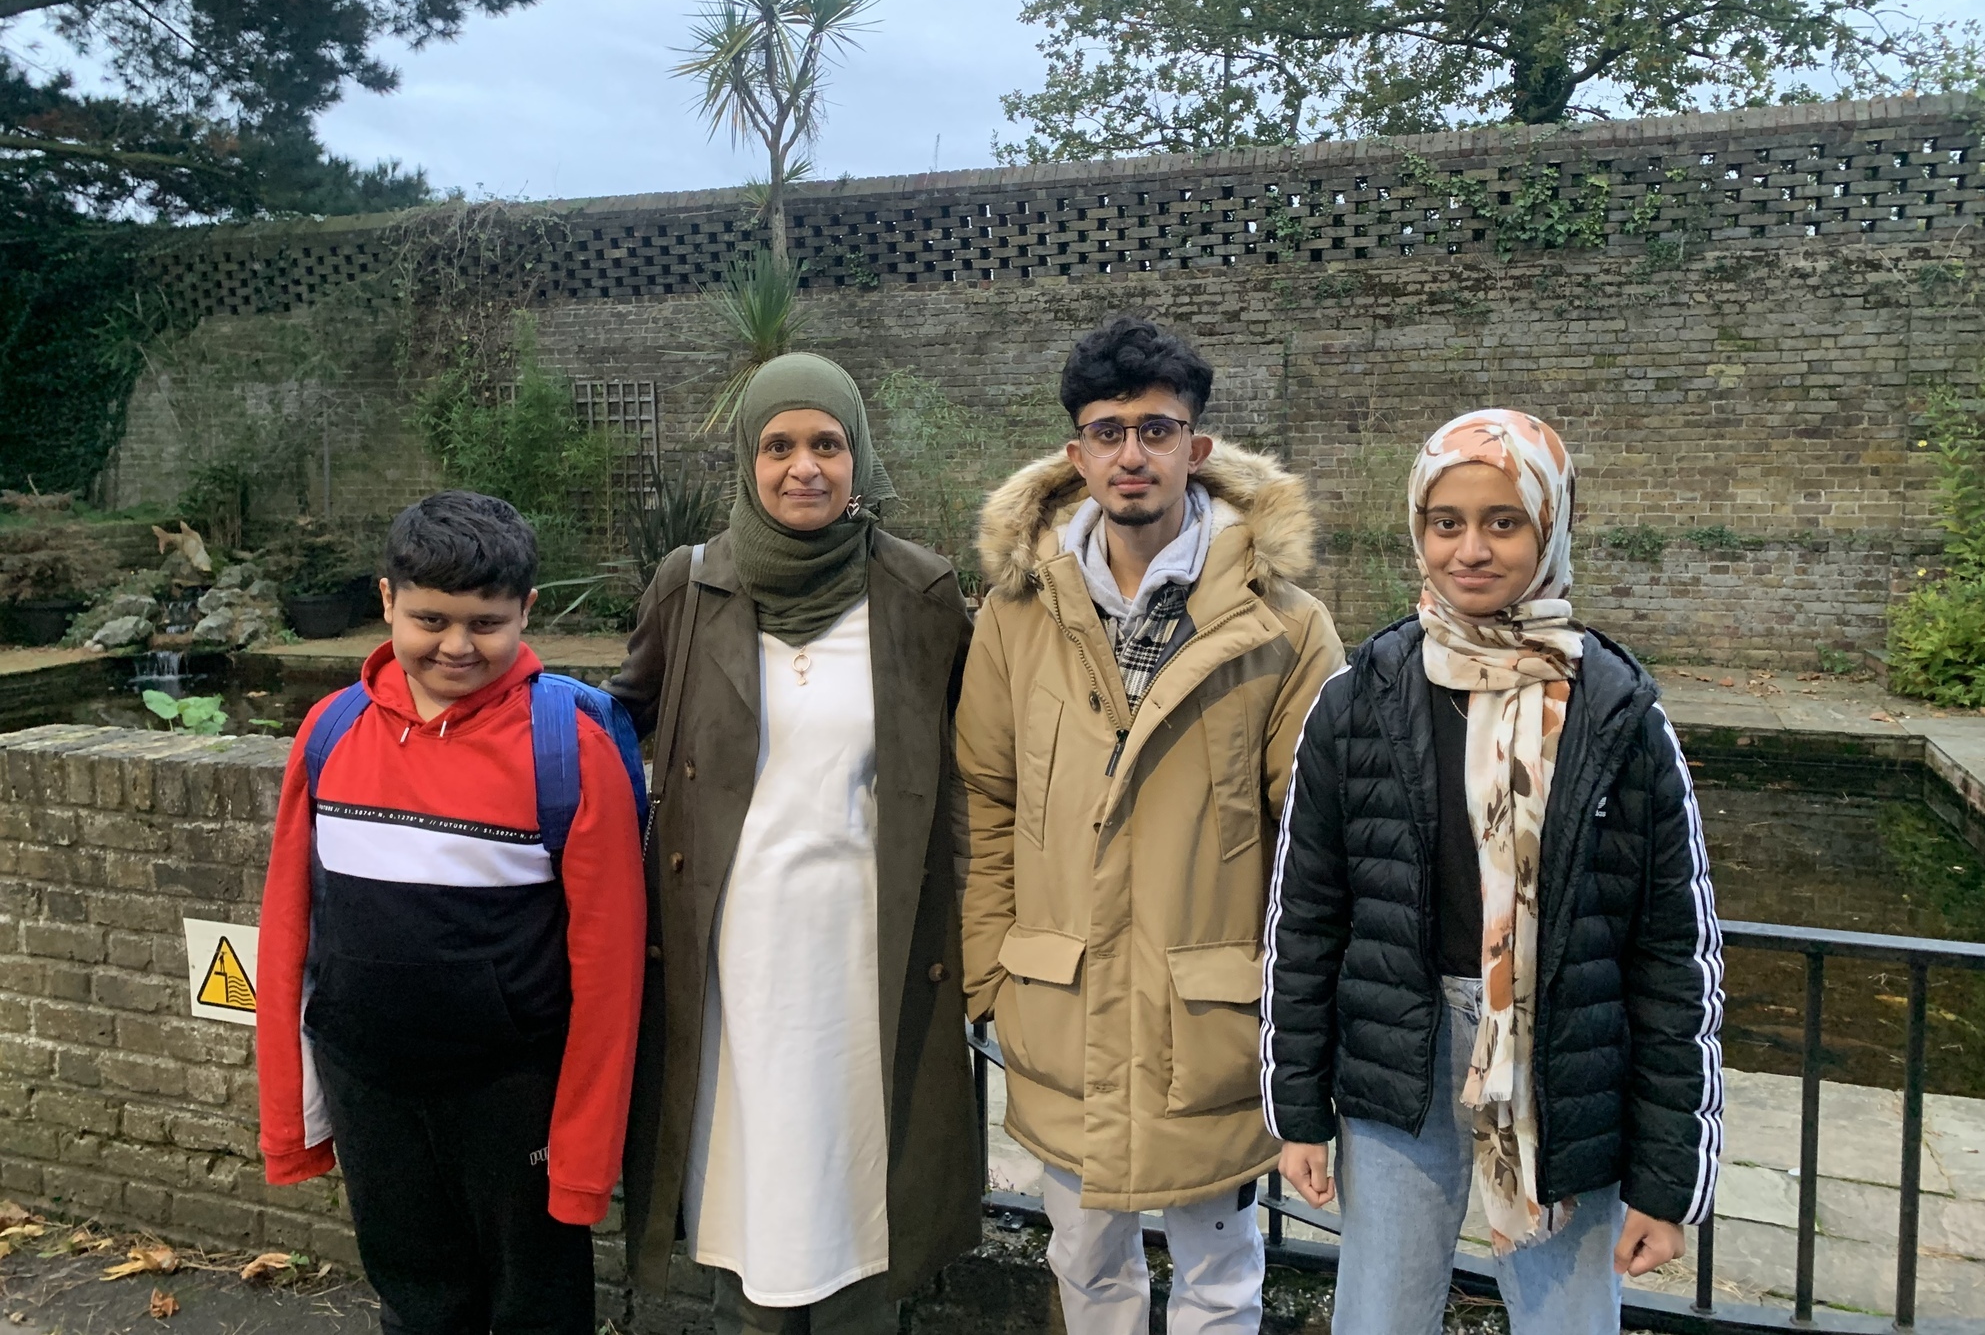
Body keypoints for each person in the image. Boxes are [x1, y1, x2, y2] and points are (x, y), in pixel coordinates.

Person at [1260, 409, 1725, 1335]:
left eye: (1503, 521)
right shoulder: (1359, 701)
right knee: (1379, 1316)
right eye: (1447, 522)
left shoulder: (1618, 713)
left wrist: (1670, 1181)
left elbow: (1672, 956)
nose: (1470, 549)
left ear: (1549, 526)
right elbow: (1307, 920)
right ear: (1417, 529)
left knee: (1567, 1323)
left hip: (1562, 1068)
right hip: (1401, 1055)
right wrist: (1298, 1109)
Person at [957, 314, 1344, 1335]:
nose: (1132, 453)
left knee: (1220, 1279)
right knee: (1084, 1266)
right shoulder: (1013, 614)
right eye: (1108, 430)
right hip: (1063, 1010)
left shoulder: (1284, 627)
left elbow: (1313, 844)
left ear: (1195, 447)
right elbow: (984, 800)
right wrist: (990, 973)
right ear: (1075, 454)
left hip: (1209, 1022)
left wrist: (1294, 1012)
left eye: (1156, 429)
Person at [611, 353, 982, 1335]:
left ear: (858, 454)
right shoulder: (688, 589)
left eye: (825, 443)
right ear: (749, 457)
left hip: (868, 959)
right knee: (747, 1186)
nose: (802, 467)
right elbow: (615, 728)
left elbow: (978, 772)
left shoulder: (920, 595)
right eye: (778, 445)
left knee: (861, 1183)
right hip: (733, 961)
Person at [256, 490, 647, 1335]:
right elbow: (291, 926)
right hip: (371, 1086)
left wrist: (581, 1152)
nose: (458, 646)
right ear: (387, 599)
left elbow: (611, 968)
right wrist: (293, 1106)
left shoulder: (569, 748)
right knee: (415, 1300)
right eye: (431, 619)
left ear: (527, 611)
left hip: (512, 1095)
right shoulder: (330, 731)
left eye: (487, 622)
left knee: (533, 1306)